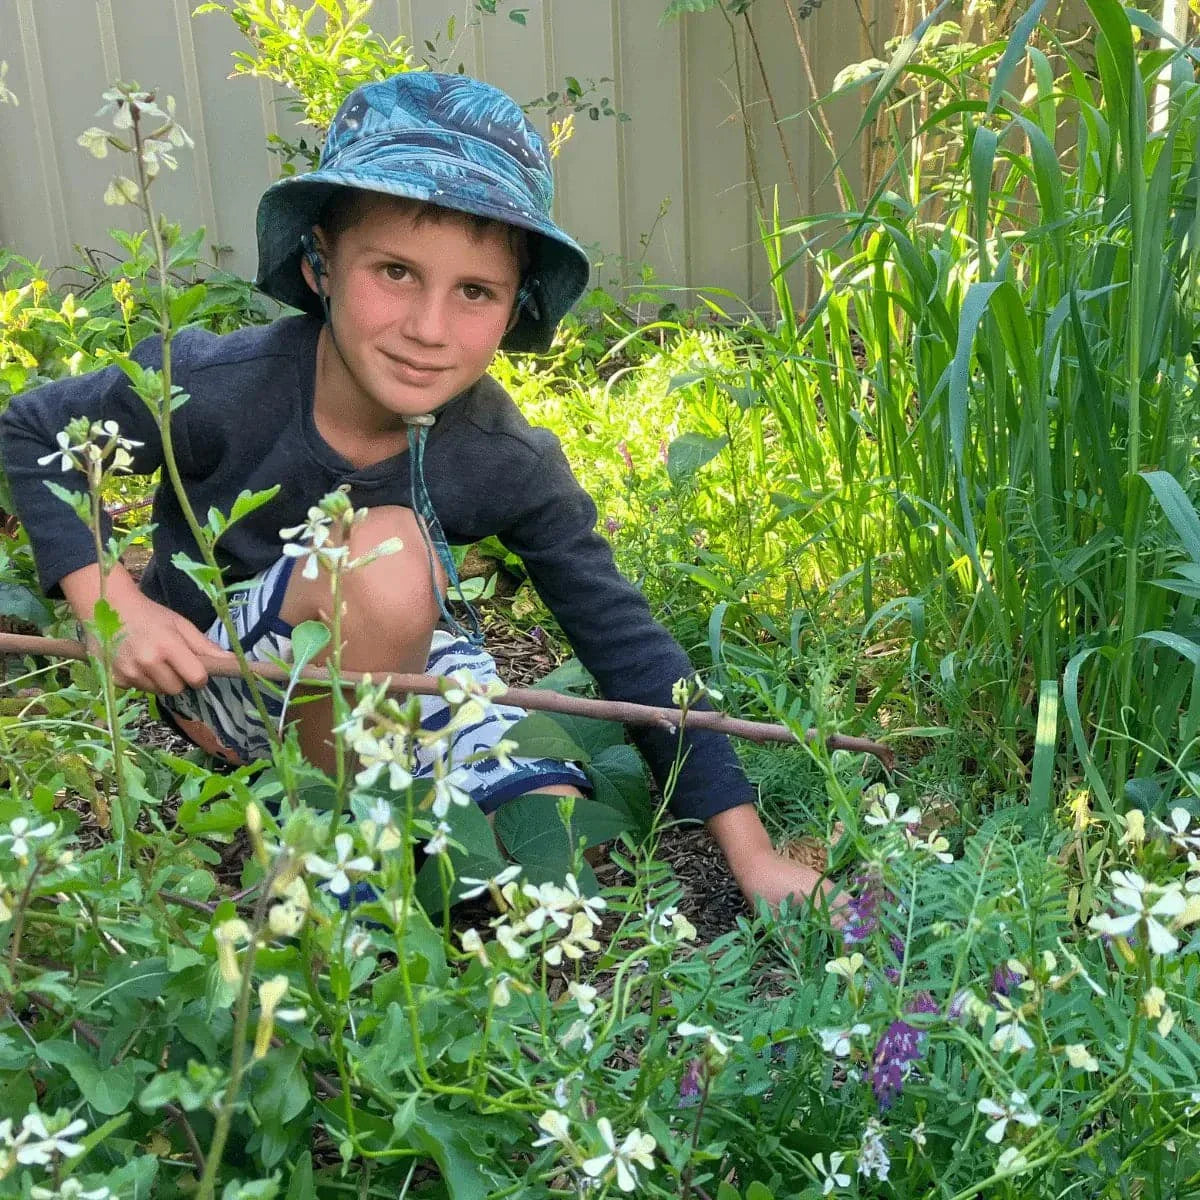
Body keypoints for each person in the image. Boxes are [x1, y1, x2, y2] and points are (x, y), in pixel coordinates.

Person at [0, 71, 829, 912]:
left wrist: (753, 858)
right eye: (395, 271)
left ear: (513, 308)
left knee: (550, 854)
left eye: (474, 291)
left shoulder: (502, 454)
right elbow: (32, 430)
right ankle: (329, 854)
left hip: (394, 670)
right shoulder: (221, 386)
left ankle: (407, 841)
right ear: (321, 262)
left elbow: (626, 643)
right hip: (220, 677)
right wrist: (112, 603)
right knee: (390, 552)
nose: (430, 329)